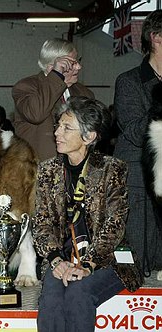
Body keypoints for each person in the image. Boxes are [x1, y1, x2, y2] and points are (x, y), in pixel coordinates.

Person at [32, 96, 144, 331]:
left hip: (107, 260)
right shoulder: (48, 170)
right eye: (58, 126)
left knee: (78, 292)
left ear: (89, 136)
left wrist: (87, 265)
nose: (57, 133)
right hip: (61, 258)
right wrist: (56, 261)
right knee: (51, 298)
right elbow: (41, 224)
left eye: (66, 128)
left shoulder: (112, 169)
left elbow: (114, 226)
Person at [113, 9, 162, 277]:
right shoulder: (129, 82)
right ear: (155, 37)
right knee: (137, 263)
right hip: (138, 181)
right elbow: (133, 131)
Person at [12, 38, 94, 161]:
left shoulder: (84, 93)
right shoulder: (26, 86)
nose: (79, 67)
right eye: (72, 63)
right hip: (37, 170)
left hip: (74, 170)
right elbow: (36, 114)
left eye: (78, 61)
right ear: (52, 67)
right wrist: (56, 77)